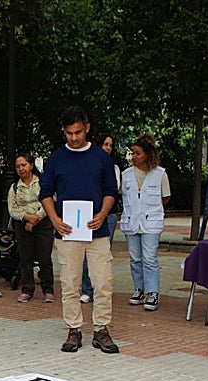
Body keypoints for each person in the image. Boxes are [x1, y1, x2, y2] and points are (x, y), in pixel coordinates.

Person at [39, 105, 119, 354]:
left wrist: (102, 214)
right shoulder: (56, 158)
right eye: (69, 133)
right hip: (67, 231)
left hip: (98, 231)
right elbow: (45, 193)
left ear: (87, 129)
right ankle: (74, 328)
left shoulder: (101, 158)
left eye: (78, 132)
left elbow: (110, 192)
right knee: (70, 282)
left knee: (102, 281)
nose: (74, 138)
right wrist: (54, 219)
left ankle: (101, 329)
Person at [120, 132, 170, 311]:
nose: (134, 157)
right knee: (135, 258)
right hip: (131, 221)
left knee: (149, 258)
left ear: (147, 154)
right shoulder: (126, 174)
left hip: (151, 222)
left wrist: (151, 209)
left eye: (138, 153)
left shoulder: (160, 174)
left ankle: (153, 292)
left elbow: (165, 197)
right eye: (133, 153)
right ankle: (139, 289)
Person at [7, 153, 54, 303]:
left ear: (31, 165)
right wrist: (27, 218)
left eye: (24, 165)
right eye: (18, 166)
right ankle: (27, 289)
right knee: (25, 258)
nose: (21, 169)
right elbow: (13, 209)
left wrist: (36, 219)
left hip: (43, 223)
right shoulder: (14, 187)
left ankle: (48, 289)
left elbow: (49, 201)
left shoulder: (42, 182)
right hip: (23, 226)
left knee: (44, 258)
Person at [79, 133, 121, 302]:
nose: (108, 148)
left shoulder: (114, 168)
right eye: (105, 144)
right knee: (84, 252)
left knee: (102, 255)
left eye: (110, 145)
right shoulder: (86, 163)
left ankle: (100, 289)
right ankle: (86, 289)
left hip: (107, 216)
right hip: (86, 213)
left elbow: (113, 189)